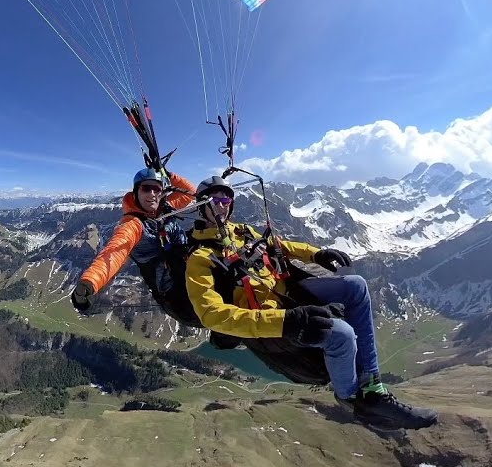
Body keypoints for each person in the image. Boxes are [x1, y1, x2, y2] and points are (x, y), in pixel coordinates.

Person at [182, 175, 438, 431]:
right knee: (341, 334)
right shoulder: (201, 258)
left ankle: (372, 385)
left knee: (356, 285)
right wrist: (287, 321)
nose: (223, 204)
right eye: (215, 199)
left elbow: (278, 245)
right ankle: (352, 398)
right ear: (201, 205)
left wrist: (315, 253)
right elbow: (211, 315)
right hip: (270, 323)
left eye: (227, 198)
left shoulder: (243, 232)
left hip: (288, 294)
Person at [69, 167, 197, 315]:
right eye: (146, 189)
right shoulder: (133, 225)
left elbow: (190, 192)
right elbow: (114, 252)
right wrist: (90, 281)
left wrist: (167, 174)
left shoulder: (163, 208)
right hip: (178, 293)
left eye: (156, 189)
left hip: (187, 263)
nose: (152, 194)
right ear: (136, 193)